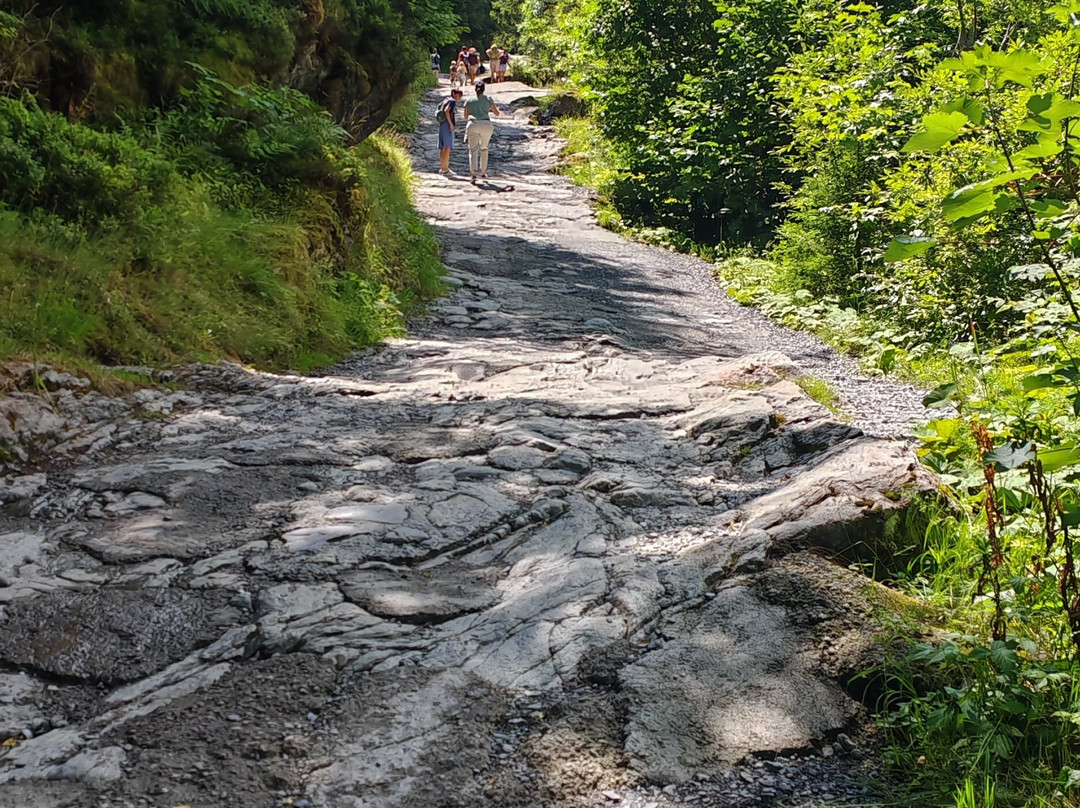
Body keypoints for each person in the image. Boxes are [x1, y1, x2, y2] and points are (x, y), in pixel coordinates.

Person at [463, 80, 500, 181]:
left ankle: (474, 173)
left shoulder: (469, 100)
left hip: (473, 123)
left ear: (475, 89)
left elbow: (465, 116)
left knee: (473, 150)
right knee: (484, 148)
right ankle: (483, 172)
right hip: (486, 124)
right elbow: (497, 113)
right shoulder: (488, 99)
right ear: (484, 90)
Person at [437, 88, 463, 174]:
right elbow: (446, 111)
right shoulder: (452, 101)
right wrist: (451, 124)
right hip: (447, 125)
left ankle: (443, 167)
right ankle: (445, 169)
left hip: (442, 124)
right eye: (459, 95)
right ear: (454, 94)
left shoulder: (447, 100)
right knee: (447, 147)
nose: (460, 97)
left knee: (443, 147)